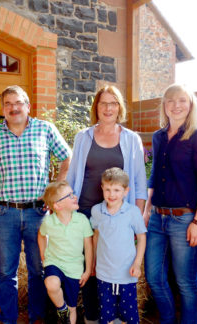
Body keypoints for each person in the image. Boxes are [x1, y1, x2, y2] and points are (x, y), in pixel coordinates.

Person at [0, 85, 72, 324]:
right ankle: (8, 318)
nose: (13, 107)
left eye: (18, 102)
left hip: (37, 213)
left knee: (37, 269)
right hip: (5, 211)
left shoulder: (45, 129)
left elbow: (68, 157)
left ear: (27, 106)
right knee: (6, 272)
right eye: (8, 103)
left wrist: (54, 193)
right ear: (3, 108)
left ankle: (36, 317)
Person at [66, 85, 147, 323]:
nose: (108, 108)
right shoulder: (83, 137)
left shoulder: (131, 139)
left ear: (119, 107)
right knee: (90, 267)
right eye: (103, 103)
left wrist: (136, 217)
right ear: (96, 107)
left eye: (113, 103)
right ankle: (93, 317)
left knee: (118, 266)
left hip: (120, 216)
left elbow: (140, 182)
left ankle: (119, 317)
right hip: (85, 212)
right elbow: (72, 177)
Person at [143, 84, 197, 324]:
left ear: (190, 104)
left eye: (182, 100)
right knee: (154, 277)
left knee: (185, 281)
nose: (176, 105)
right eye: (170, 100)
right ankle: (168, 319)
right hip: (157, 218)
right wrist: (147, 208)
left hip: (185, 218)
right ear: (164, 105)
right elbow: (154, 176)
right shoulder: (159, 136)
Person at [90, 167, 146, 324]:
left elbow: (141, 238)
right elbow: (96, 236)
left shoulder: (132, 212)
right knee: (107, 316)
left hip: (126, 275)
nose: (111, 194)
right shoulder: (97, 211)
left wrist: (137, 263)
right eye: (107, 189)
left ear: (126, 191)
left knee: (128, 317)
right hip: (104, 274)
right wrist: (93, 261)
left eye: (116, 190)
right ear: (102, 188)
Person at [38, 180, 93, 324]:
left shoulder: (82, 221)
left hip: (74, 268)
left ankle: (66, 314)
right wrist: (43, 256)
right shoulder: (49, 222)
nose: (74, 196)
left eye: (73, 193)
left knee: (72, 307)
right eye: (69, 195)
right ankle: (61, 308)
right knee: (51, 284)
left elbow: (88, 246)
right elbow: (41, 235)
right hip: (54, 262)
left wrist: (88, 270)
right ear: (57, 205)